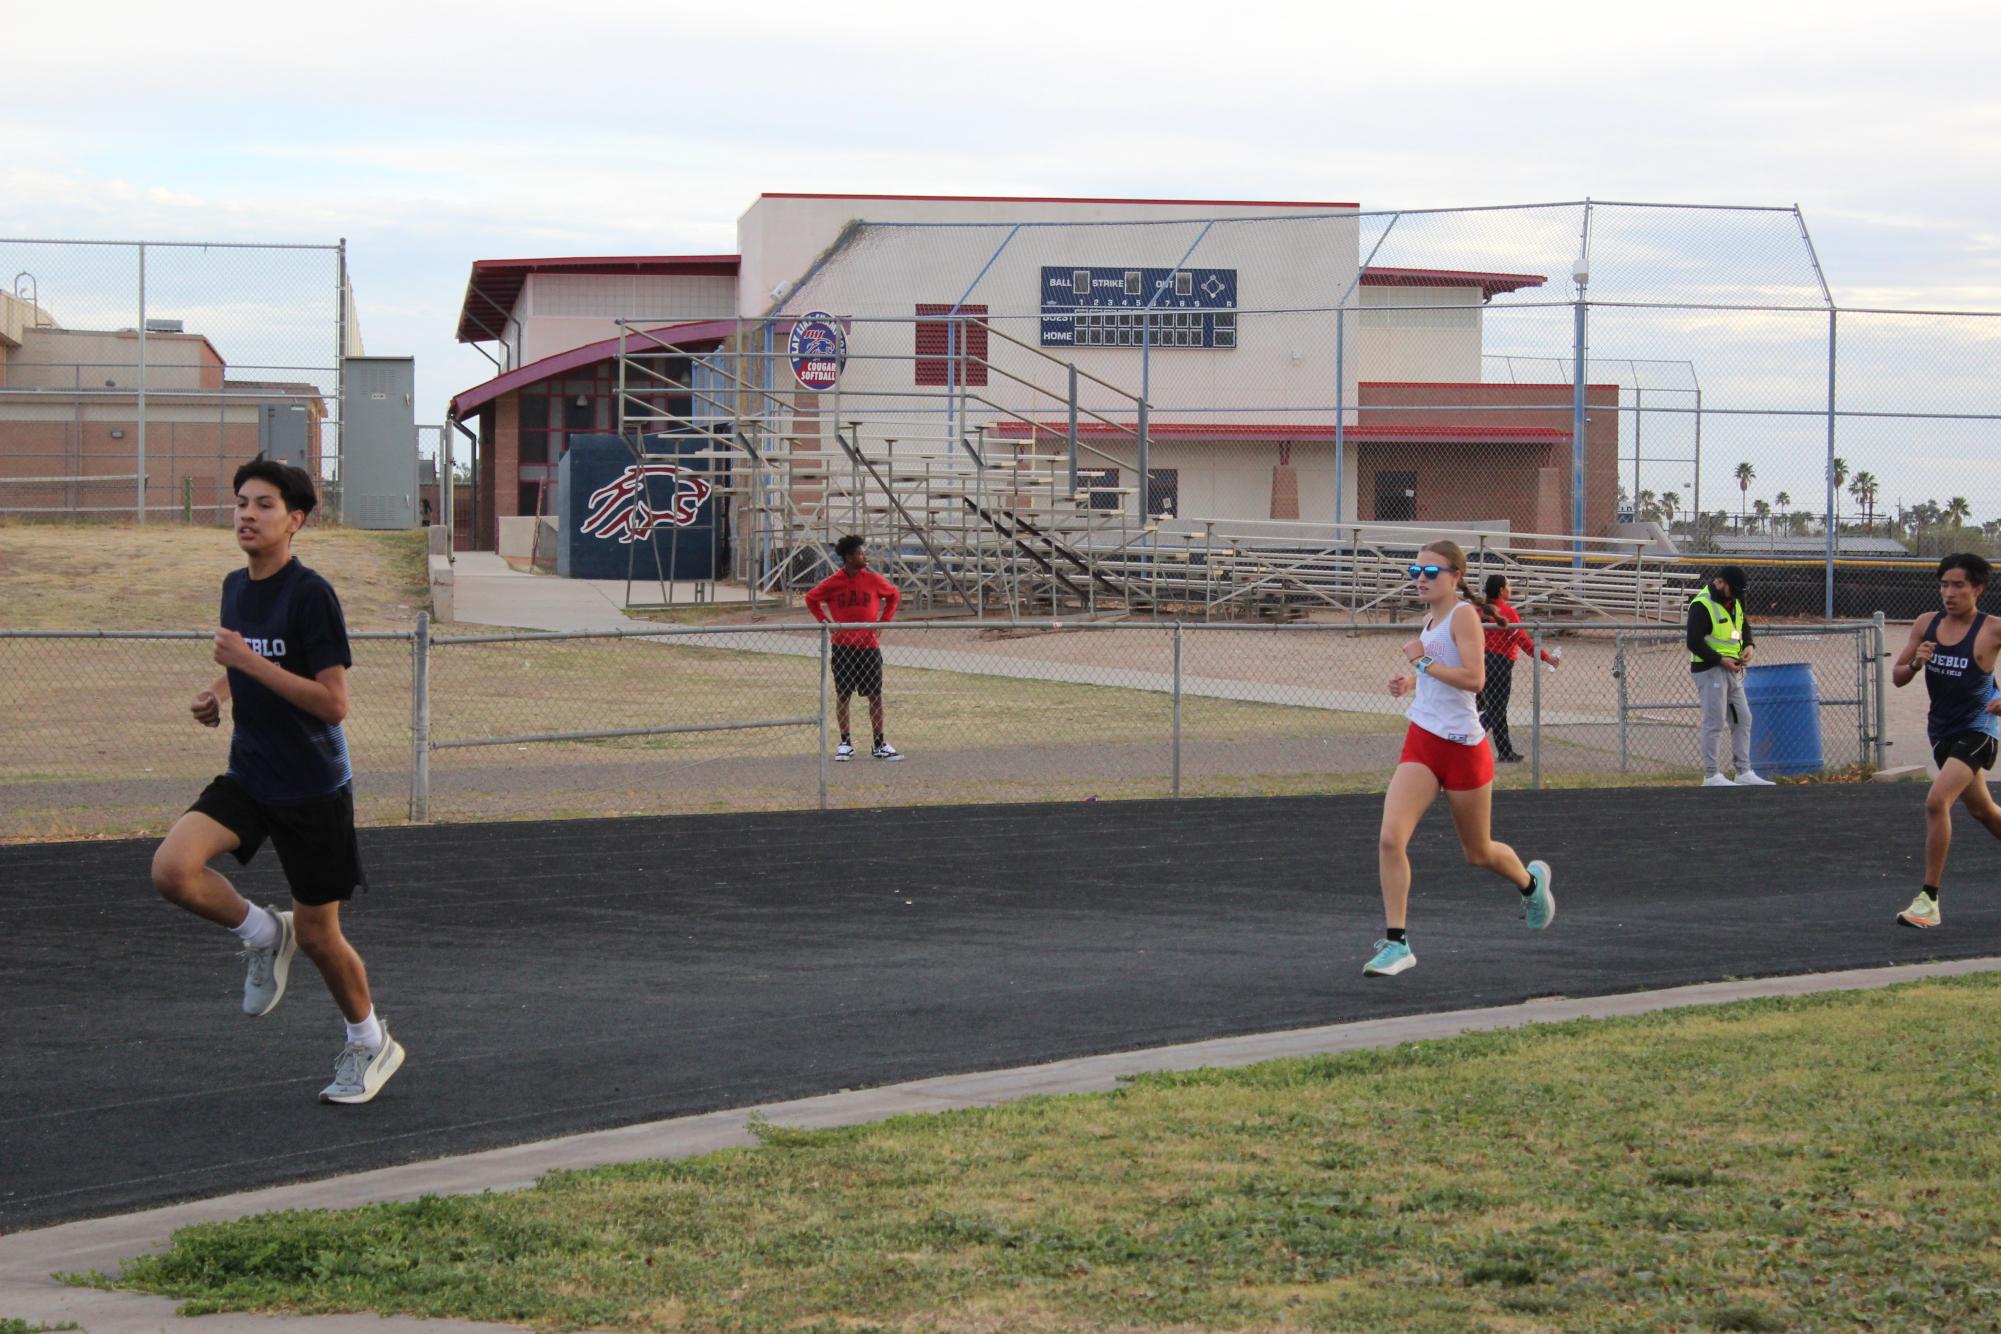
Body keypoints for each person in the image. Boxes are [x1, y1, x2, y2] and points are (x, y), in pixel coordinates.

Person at [149, 459, 406, 1105]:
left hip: (312, 788)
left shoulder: (310, 593)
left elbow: (332, 703)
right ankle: (265, 933)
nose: (246, 514)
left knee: (322, 937)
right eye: (240, 502)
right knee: (172, 870)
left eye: (264, 505)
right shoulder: (236, 586)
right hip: (250, 773)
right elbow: (253, 662)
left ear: (295, 521)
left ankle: (370, 1043)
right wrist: (217, 690)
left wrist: (241, 665)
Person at [1366, 541, 1555, 977]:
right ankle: (1397, 943)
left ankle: (1530, 884)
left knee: (1479, 852)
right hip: (1423, 742)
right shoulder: (1430, 619)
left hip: (1464, 749)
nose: (1420, 577)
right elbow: (1435, 676)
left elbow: (1474, 679)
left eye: (1431, 571)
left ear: (1456, 576)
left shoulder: (1465, 615)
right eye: (1416, 569)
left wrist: (1423, 662)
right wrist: (1410, 683)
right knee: (1391, 839)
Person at [1888, 552, 2001, 928]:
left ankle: (1928, 901)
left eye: (1958, 586)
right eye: (1944, 585)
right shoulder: (1926, 624)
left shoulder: (1992, 628)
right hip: (1942, 732)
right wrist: (1917, 663)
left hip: (1980, 728)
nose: (1949, 593)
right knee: (1984, 811)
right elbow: (1898, 676)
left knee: (1937, 801)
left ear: (1978, 589)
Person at [805, 534, 905, 761]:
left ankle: (879, 743)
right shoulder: (833, 582)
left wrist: (883, 621)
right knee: (843, 695)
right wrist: (825, 622)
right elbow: (811, 599)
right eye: (860, 553)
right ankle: (845, 742)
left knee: (875, 695)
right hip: (843, 647)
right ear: (849, 557)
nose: (864, 556)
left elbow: (894, 595)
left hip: (868, 646)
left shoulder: (872, 579)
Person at [1688, 565, 1776, 787]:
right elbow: (1694, 642)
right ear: (1720, 583)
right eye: (1733, 591)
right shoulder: (1702, 605)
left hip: (1733, 670)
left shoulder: (1736, 599)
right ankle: (1711, 775)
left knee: (1743, 718)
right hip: (1710, 670)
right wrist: (1720, 660)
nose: (1736, 597)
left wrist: (1748, 645)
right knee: (1714, 721)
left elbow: (1743, 624)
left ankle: (1743, 771)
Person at [1475, 573, 1560, 763]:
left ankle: (1505, 751)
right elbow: (1522, 640)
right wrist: (1546, 657)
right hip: (1500, 663)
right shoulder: (1506, 611)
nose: (1510, 589)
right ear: (1501, 590)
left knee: (1497, 709)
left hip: (1483, 661)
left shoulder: (1481, 611)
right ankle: (1468, 742)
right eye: (1508, 586)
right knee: (1496, 709)